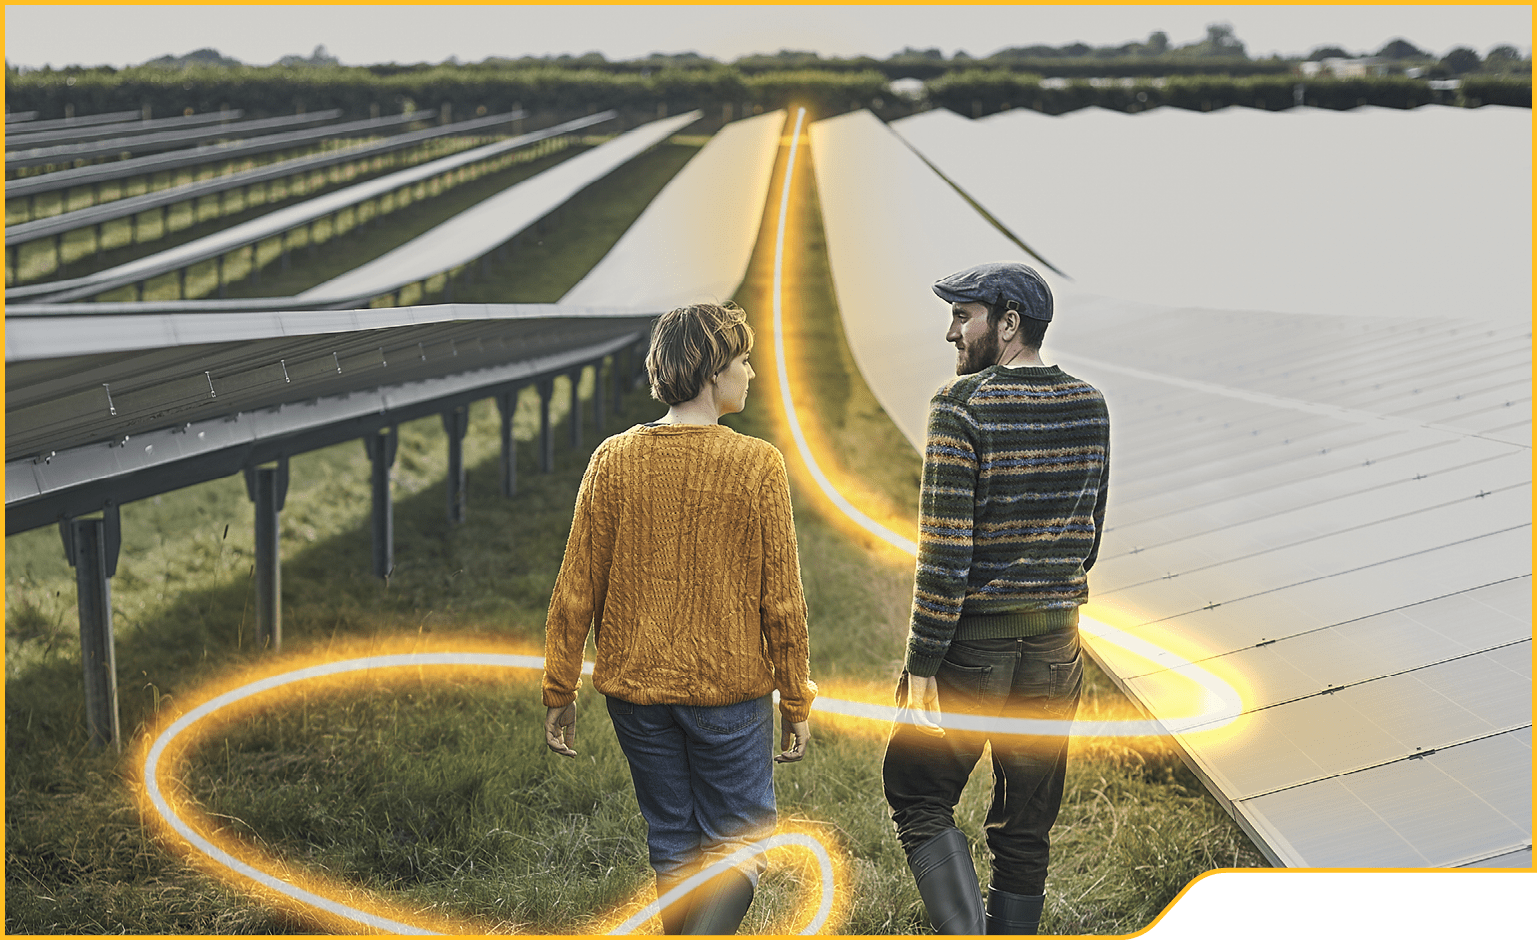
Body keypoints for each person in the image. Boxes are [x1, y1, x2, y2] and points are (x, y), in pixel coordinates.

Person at [541, 301, 816, 935]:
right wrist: (796, 698)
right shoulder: (757, 465)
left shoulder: (613, 459)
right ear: (713, 370)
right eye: (744, 360)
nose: (751, 372)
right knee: (738, 846)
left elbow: (574, 586)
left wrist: (560, 685)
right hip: (727, 692)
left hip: (636, 693)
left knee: (672, 839)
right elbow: (783, 600)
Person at [882, 262, 1110, 935]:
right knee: (1026, 822)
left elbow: (946, 554)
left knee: (919, 796)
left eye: (963, 316)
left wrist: (921, 662)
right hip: (1054, 651)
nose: (949, 332)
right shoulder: (1089, 403)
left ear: (1007, 323)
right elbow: (1087, 532)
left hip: (972, 651)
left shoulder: (959, 406)